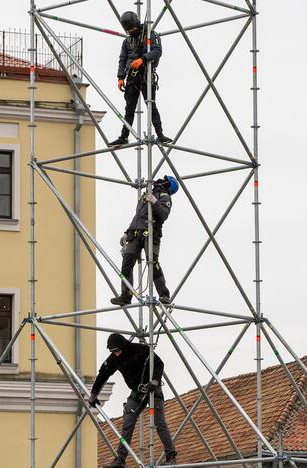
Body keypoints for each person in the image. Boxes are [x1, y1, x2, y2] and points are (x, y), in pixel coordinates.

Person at [88, 333, 177, 467]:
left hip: (153, 390)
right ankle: (120, 459)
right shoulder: (114, 358)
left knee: (159, 423)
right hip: (137, 392)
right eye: (113, 352)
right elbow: (103, 374)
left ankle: (171, 456)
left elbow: (159, 364)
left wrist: (155, 380)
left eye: (117, 350)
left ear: (122, 346)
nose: (116, 354)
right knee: (127, 424)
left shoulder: (141, 350)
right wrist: (94, 393)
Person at [111, 175, 178, 306]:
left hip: (151, 232)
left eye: (164, 179)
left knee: (152, 262)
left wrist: (155, 202)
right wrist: (127, 232)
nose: (159, 180)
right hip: (136, 233)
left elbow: (164, 214)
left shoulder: (164, 196)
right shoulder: (147, 194)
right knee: (127, 263)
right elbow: (138, 216)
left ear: (168, 184)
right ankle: (126, 295)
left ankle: (164, 295)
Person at [109, 11, 173, 146]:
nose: (131, 32)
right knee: (129, 109)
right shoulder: (127, 42)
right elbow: (122, 59)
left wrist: (143, 59)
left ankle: (160, 135)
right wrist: (120, 77)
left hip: (145, 75)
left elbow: (157, 51)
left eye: (132, 29)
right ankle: (124, 137)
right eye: (129, 30)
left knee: (151, 105)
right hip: (131, 77)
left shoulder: (150, 35)